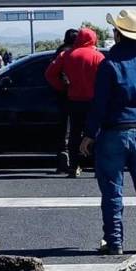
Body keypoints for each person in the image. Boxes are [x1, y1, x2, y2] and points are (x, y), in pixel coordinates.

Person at [80, 9, 136, 255]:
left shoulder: (109, 65)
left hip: (113, 133)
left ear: (117, 34)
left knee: (112, 191)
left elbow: (99, 104)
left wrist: (89, 134)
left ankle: (114, 242)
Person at [44, 27, 104, 178]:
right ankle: (98, 166)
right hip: (93, 100)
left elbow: (50, 74)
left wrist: (63, 86)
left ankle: (74, 166)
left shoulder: (66, 55)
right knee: (95, 133)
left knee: (74, 134)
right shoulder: (98, 56)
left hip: (74, 99)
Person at [52, 29, 80, 172]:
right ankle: (74, 161)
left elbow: (51, 73)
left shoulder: (60, 52)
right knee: (75, 127)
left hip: (61, 95)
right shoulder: (75, 53)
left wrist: (60, 87)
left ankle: (64, 157)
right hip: (76, 95)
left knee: (64, 128)